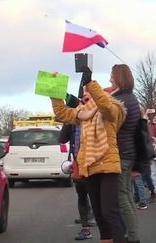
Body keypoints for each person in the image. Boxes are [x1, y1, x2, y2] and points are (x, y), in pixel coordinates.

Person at [51, 67, 126, 243]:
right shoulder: (83, 113)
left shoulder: (113, 109)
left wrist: (90, 83)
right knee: (99, 214)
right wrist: (55, 90)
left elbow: (104, 105)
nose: (85, 95)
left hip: (107, 165)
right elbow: (62, 113)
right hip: (89, 166)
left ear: (96, 93)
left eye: (88, 92)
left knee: (110, 211)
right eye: (84, 93)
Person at [108, 64, 142, 243]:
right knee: (127, 194)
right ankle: (132, 234)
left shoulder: (121, 101)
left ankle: (133, 237)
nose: (110, 80)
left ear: (119, 77)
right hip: (129, 152)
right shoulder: (131, 98)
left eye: (112, 76)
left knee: (122, 197)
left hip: (121, 152)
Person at [59, 94, 95, 241]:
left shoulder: (96, 115)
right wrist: (68, 119)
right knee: (81, 195)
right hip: (78, 163)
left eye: (86, 100)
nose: (83, 102)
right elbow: (62, 139)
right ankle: (86, 228)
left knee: (95, 195)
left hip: (94, 161)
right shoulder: (74, 120)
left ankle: (95, 219)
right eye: (82, 100)